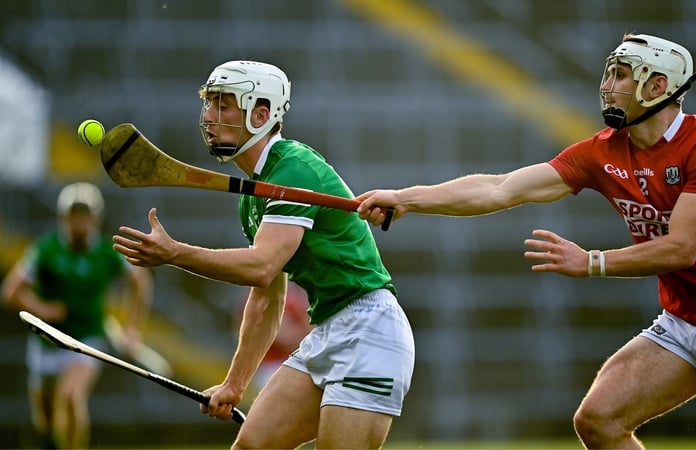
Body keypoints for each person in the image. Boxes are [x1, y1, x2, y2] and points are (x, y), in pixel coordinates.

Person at [357, 33, 696, 449]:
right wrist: (406, 199)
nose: (607, 86)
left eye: (621, 74)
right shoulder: (602, 151)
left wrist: (593, 262)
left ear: (658, 85)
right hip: (684, 324)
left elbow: (682, 248)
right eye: (609, 74)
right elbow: (501, 187)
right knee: (597, 420)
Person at [111, 60, 415, 449]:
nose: (209, 115)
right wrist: (235, 384)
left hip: (369, 332)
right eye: (209, 103)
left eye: (224, 105)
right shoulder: (255, 195)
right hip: (328, 330)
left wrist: (175, 254)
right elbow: (267, 297)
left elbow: (261, 266)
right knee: (251, 446)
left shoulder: (293, 169)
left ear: (261, 114)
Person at [2, 182, 153, 449]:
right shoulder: (45, 250)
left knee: (72, 397)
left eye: (86, 215)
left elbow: (141, 283)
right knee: (46, 421)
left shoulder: (107, 252)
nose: (80, 221)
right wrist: (43, 309)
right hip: (47, 342)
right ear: (64, 218)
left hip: (87, 340)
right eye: (75, 215)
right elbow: (11, 292)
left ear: (96, 218)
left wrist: (131, 328)